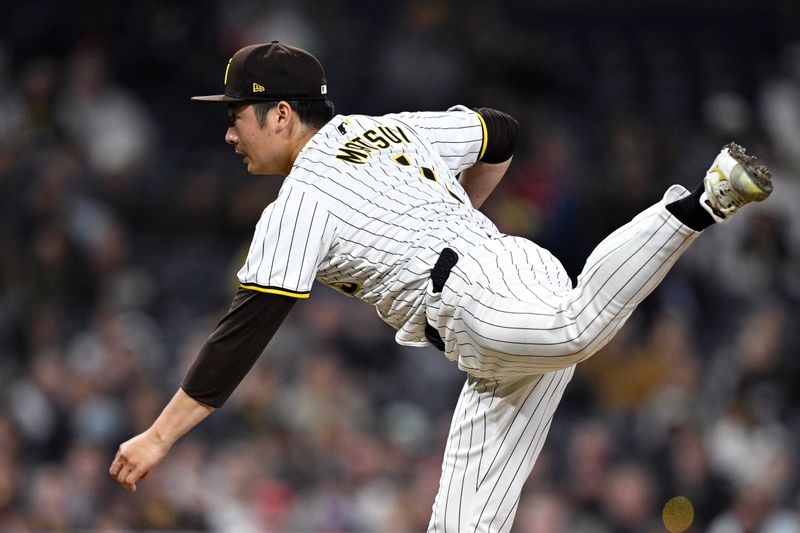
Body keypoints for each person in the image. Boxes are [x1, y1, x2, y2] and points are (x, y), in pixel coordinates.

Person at [109, 41, 773, 532]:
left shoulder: (300, 201)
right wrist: (463, 212)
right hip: (488, 325)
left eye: (240, 113)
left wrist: (159, 438)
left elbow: (240, 335)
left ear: (281, 115)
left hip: (483, 296)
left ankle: (704, 201)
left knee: (578, 326)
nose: (229, 130)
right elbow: (499, 130)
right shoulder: (389, 128)